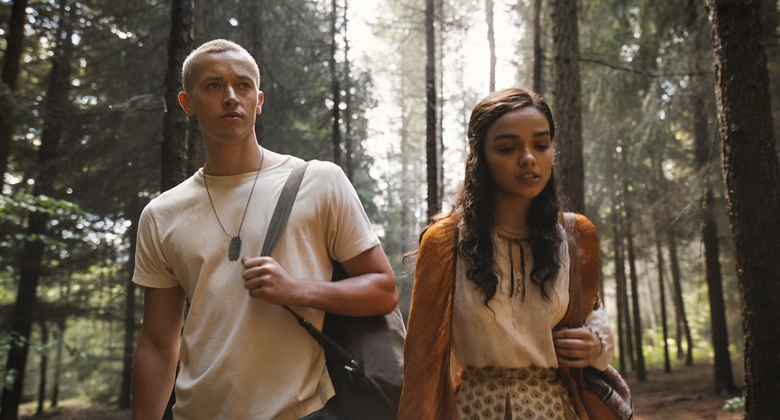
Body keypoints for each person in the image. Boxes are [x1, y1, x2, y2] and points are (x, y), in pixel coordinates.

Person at [131, 39, 399, 419]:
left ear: (258, 101)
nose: (230, 97)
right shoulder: (162, 213)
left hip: (302, 411)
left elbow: (383, 289)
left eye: (242, 85)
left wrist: (296, 289)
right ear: (187, 103)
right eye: (212, 85)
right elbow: (158, 344)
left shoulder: (319, 181)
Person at [398, 88, 614, 419]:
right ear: (480, 157)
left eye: (541, 145)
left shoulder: (575, 236)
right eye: (508, 148)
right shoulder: (445, 242)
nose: (528, 157)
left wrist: (595, 345)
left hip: (555, 408)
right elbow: (423, 360)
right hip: (475, 407)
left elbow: (590, 317)